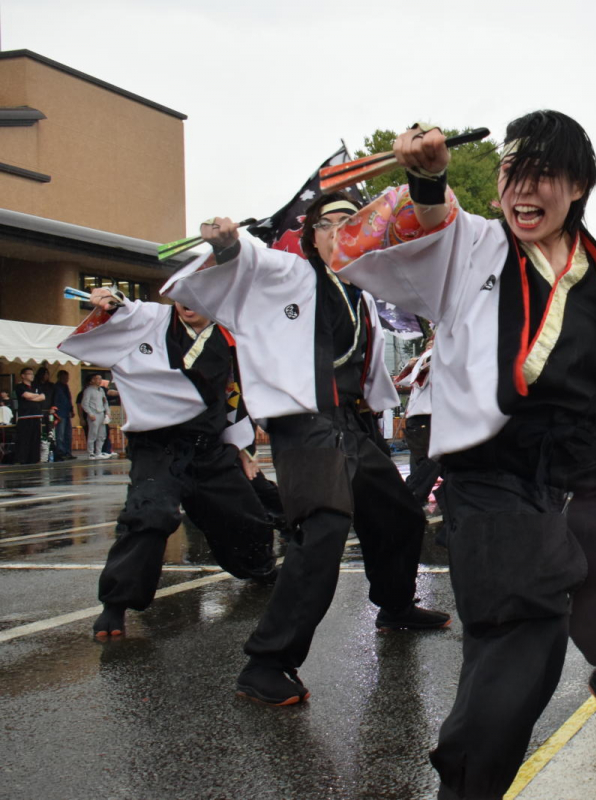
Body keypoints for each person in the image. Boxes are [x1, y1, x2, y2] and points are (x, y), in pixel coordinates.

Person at [326, 111, 596, 800]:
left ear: (578, 186)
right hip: (491, 477)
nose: (525, 190)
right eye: (512, 174)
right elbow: (421, 228)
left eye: (544, 175)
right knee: (525, 632)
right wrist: (427, 179)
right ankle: (467, 782)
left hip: (577, 476)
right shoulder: (473, 246)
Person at [164, 193, 449, 707]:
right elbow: (252, 265)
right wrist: (231, 249)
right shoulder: (292, 276)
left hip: (351, 424)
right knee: (322, 530)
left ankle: (395, 604)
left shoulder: (364, 288)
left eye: (351, 222)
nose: (339, 230)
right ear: (311, 236)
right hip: (306, 425)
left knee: (400, 515)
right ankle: (266, 662)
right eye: (328, 223)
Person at [58, 290, 281, 637]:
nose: (187, 301)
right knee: (150, 514)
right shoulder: (149, 320)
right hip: (158, 446)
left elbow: (236, 396)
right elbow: (123, 310)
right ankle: (115, 605)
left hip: (208, 447)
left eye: (196, 293)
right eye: (179, 294)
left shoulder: (229, 336)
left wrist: (243, 448)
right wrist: (111, 303)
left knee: (245, 516)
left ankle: (260, 568)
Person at [397, 334, 441, 503]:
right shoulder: (429, 356)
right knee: (432, 460)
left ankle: (413, 495)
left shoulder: (430, 357)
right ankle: (412, 494)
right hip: (424, 417)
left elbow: (407, 379)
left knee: (424, 460)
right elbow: (410, 379)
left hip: (424, 417)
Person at [14, 367, 45, 464]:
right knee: (24, 439)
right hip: (25, 416)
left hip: (36, 415)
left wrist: (33, 397)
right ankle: (22, 459)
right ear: (23, 376)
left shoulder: (36, 386)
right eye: (29, 374)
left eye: (32, 374)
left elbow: (43, 397)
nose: (31, 376)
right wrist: (35, 396)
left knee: (36, 439)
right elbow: (27, 396)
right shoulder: (20, 387)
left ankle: (35, 458)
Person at [81, 374, 111, 459]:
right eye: (97, 379)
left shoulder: (101, 390)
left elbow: (105, 402)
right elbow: (84, 404)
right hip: (94, 414)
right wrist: (90, 413)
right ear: (93, 380)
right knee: (93, 434)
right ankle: (90, 452)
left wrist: (108, 412)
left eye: (100, 379)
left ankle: (98, 452)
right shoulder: (88, 390)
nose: (99, 380)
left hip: (101, 414)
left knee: (102, 434)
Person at [50, 371, 76, 460]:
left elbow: (69, 399)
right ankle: (60, 452)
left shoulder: (66, 386)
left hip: (67, 413)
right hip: (60, 413)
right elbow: (55, 400)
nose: (66, 379)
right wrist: (56, 413)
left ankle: (68, 452)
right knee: (60, 434)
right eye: (64, 377)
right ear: (59, 377)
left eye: (67, 377)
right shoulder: (56, 387)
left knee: (68, 434)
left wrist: (71, 410)